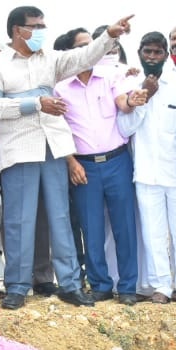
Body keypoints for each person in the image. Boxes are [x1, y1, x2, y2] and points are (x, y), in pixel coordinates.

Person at [0, 5, 133, 310]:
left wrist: (108, 35)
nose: (41, 32)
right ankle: (18, 286)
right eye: (35, 26)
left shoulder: (50, 59)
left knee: (60, 217)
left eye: (42, 26)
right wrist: (37, 103)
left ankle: (70, 284)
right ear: (17, 30)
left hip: (53, 146)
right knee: (19, 220)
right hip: (19, 149)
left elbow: (83, 57)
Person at [54, 27, 139, 304]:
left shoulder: (110, 76)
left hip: (117, 161)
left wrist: (131, 100)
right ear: (70, 53)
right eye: (82, 46)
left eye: (91, 44)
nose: (90, 50)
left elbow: (123, 102)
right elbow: (58, 129)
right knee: (91, 228)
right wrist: (70, 162)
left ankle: (127, 287)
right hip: (84, 167)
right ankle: (100, 285)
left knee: (125, 226)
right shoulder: (60, 87)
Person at [120, 32, 176, 304]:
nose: (152, 57)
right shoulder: (131, 85)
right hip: (146, 174)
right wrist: (143, 97)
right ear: (139, 54)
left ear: (166, 55)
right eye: (148, 52)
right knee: (153, 234)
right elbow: (124, 129)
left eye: (158, 52)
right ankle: (161, 287)